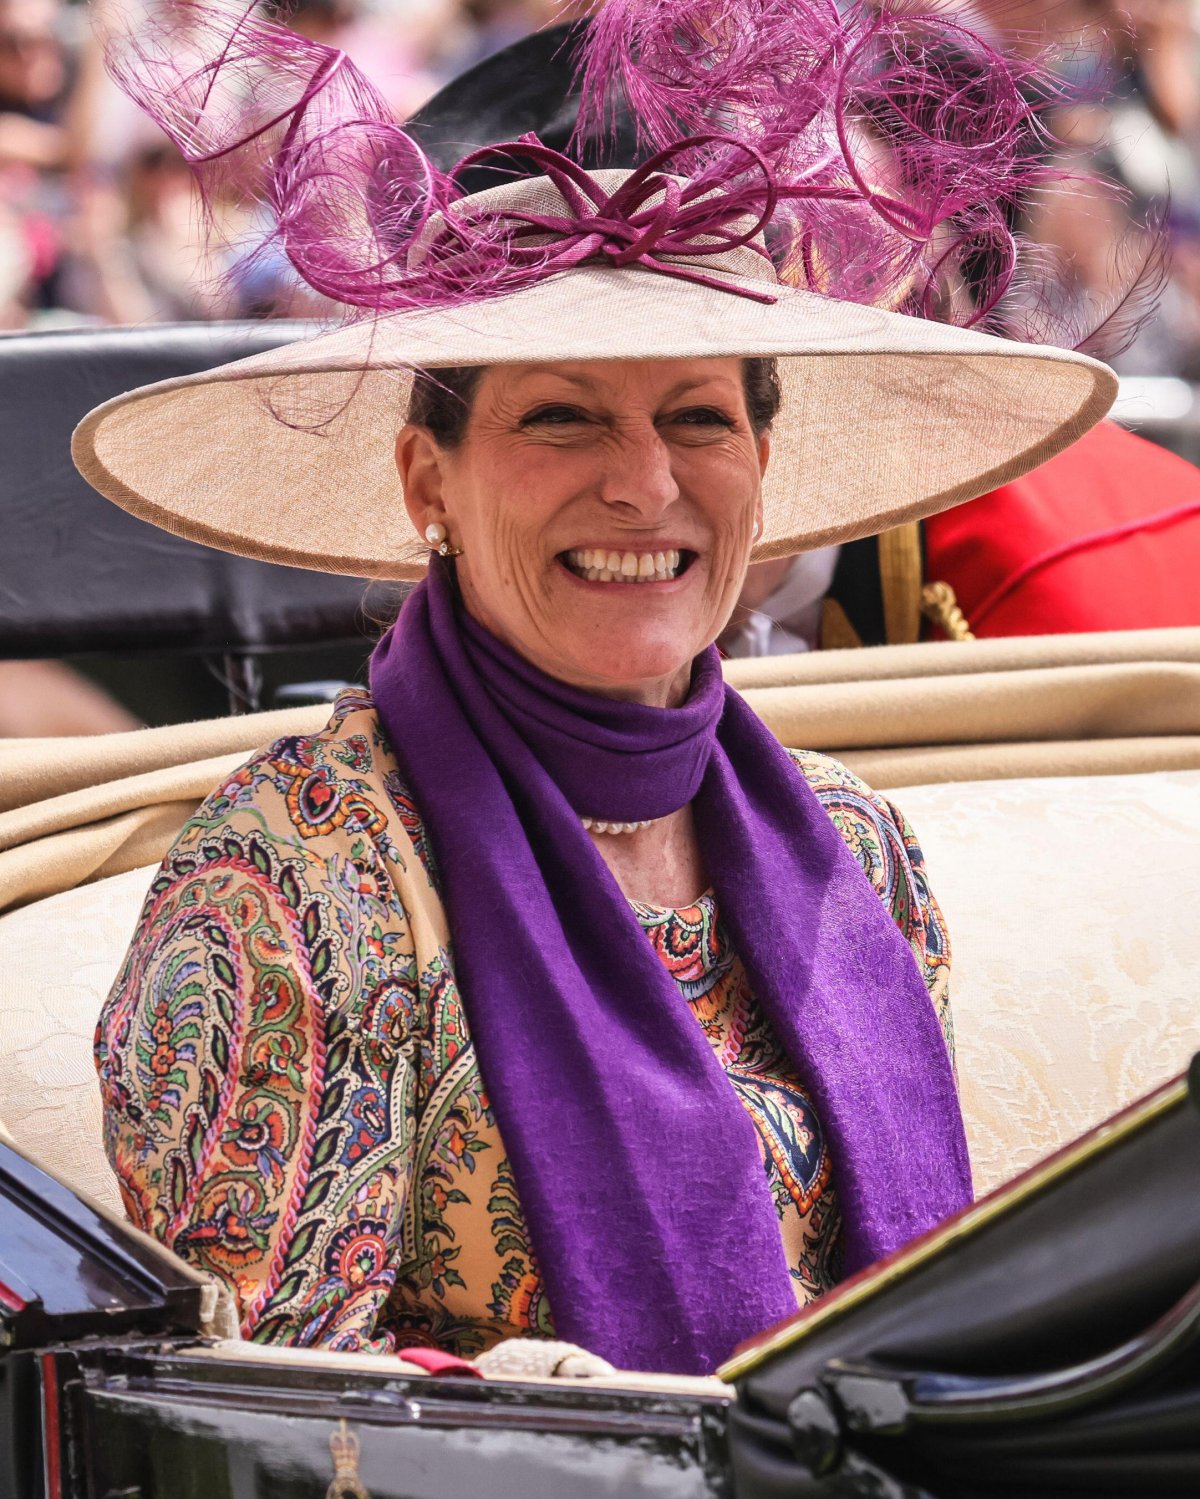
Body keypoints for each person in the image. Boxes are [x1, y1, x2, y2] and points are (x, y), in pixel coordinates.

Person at [81, 0, 1117, 1376]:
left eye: (698, 417)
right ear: (428, 481)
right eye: (561, 416)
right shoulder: (289, 889)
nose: (642, 483)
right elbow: (260, 1417)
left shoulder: (857, 848)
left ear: (762, 464)